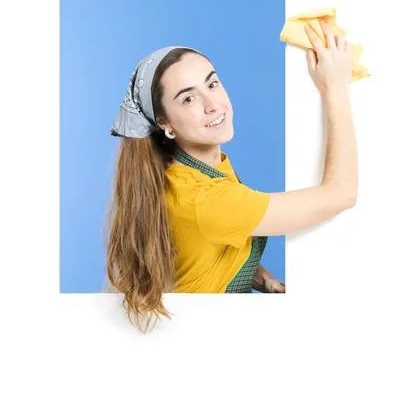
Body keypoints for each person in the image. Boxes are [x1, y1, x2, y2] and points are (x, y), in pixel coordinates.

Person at [104, 19, 357, 332]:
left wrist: (257, 275)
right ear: (164, 122)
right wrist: (335, 87)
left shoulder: (183, 173)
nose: (213, 105)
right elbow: (342, 193)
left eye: (212, 84)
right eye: (188, 98)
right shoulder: (204, 199)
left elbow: (201, 246)